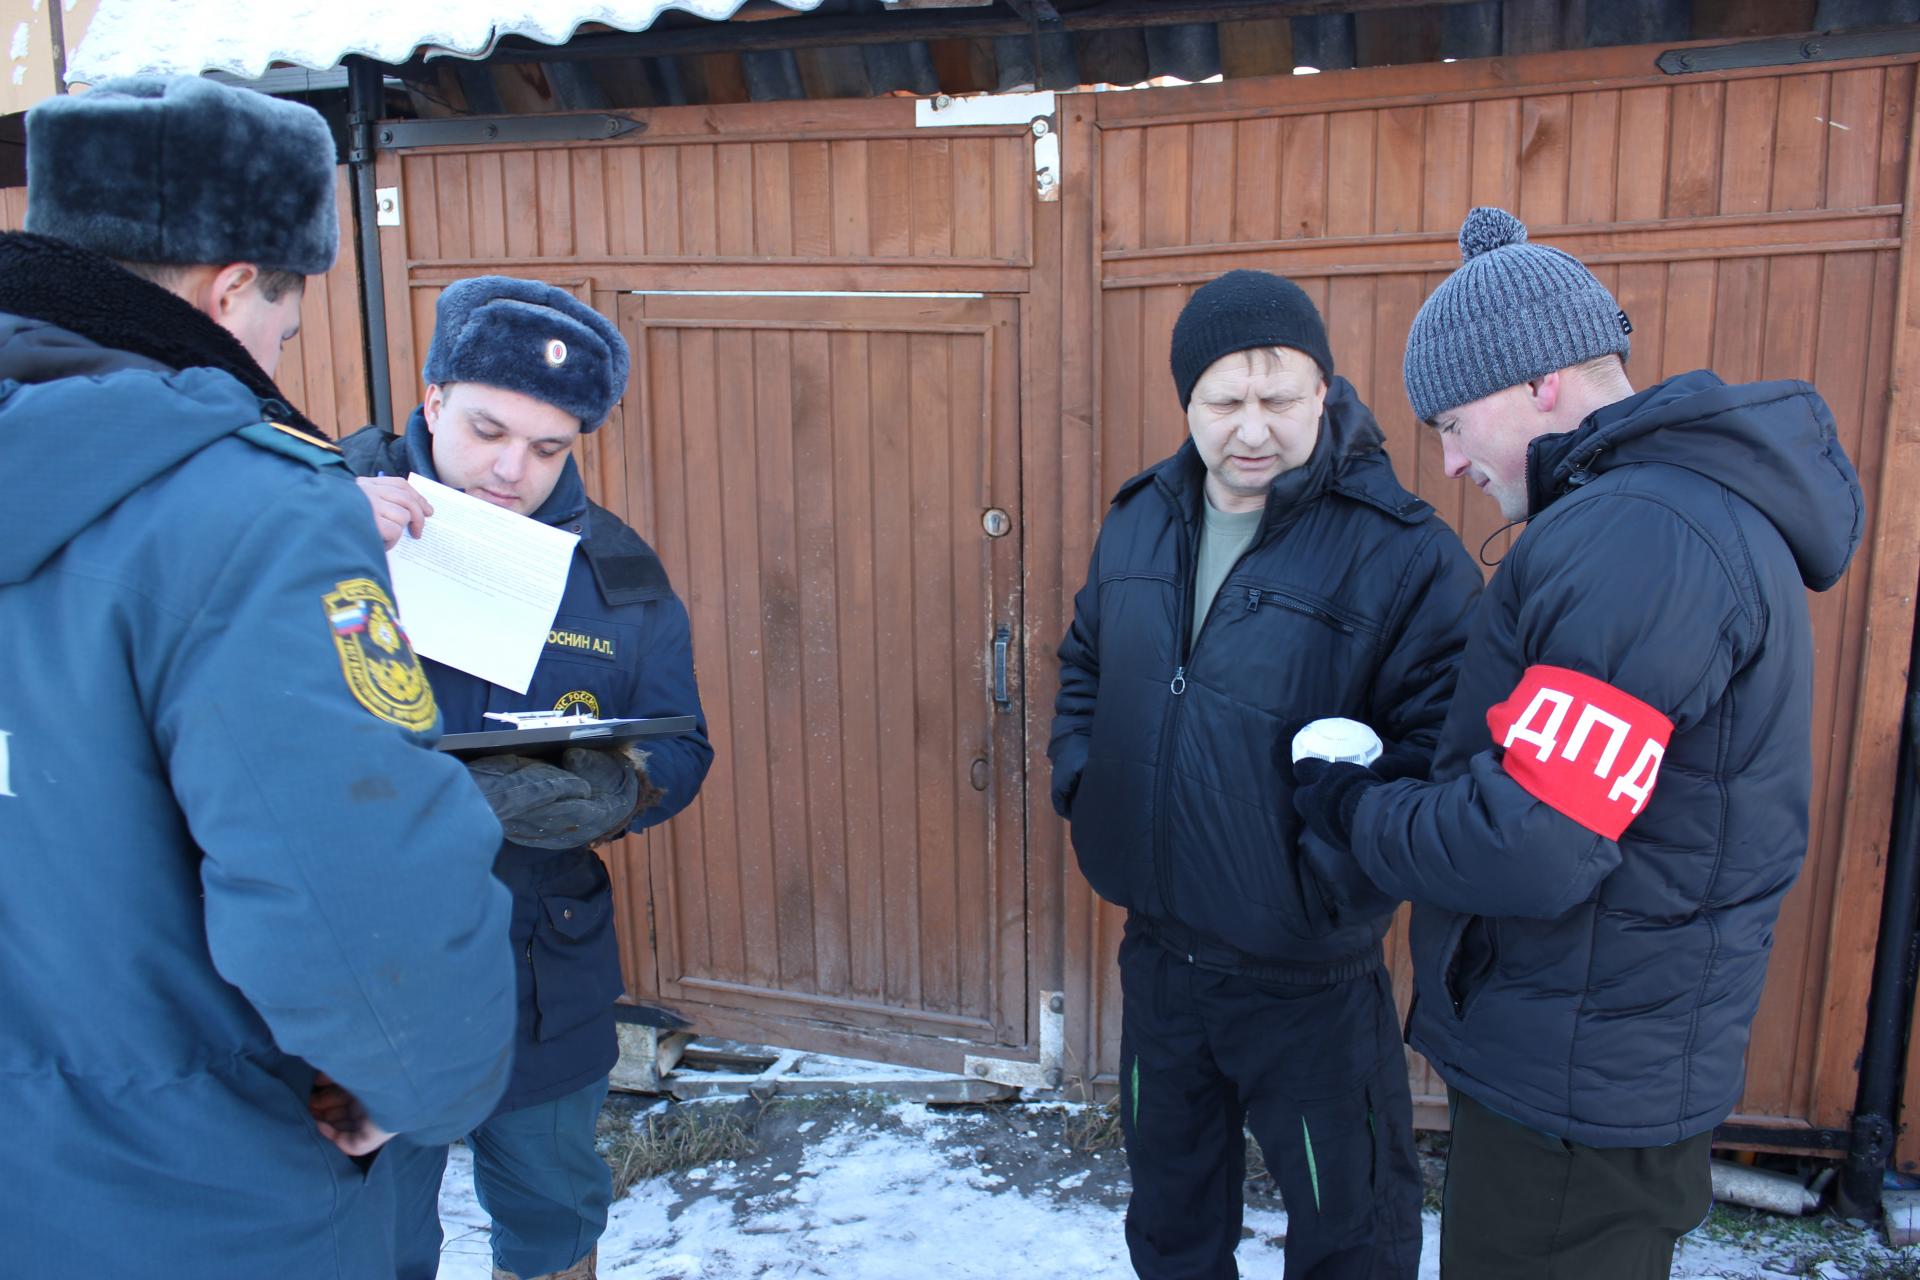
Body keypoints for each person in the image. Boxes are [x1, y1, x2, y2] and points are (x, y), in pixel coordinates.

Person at [0, 77, 517, 1277]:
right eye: (286, 324)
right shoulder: (251, 510)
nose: (278, 356)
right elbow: (357, 888)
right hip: (193, 1197)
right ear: (232, 289)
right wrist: (421, 1078)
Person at [1290, 207, 1866, 1278]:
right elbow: (1556, 780)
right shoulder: (1651, 518)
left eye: (1453, 422)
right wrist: (1420, 775)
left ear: (1540, 381)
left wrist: (1354, 807)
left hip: (1575, 1094)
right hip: (1585, 1058)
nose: (1449, 462)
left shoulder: (1642, 538)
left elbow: (1534, 843)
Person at [1048, 269, 1483, 1279]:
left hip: (1309, 976)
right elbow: (1086, 664)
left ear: (1323, 391)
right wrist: (1086, 779)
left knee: (1352, 1234)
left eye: (1279, 397)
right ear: (1187, 403)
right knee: (1171, 1226)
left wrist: (1331, 873)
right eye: (1224, 400)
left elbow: (1443, 743)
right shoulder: (1142, 519)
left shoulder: (1402, 552)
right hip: (1162, 958)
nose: (1253, 429)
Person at [342, 275, 714, 1280]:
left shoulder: (616, 573)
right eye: (488, 430)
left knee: (553, 1215)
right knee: (367, 1234)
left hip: (539, 969)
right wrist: (311, 536)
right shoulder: (311, 508)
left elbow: (683, 742)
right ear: (431, 400)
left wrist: (619, 788)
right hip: (356, 971)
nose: (513, 470)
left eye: (549, 447)